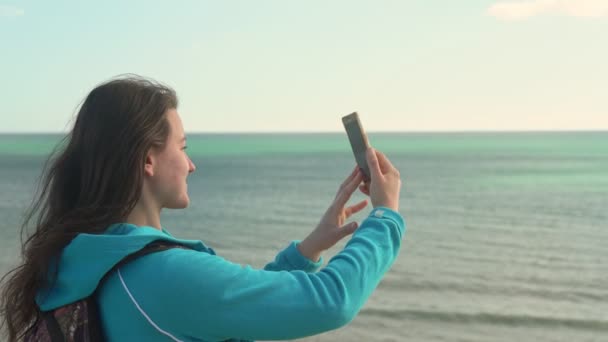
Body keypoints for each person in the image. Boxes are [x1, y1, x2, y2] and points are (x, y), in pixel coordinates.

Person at [0, 75, 405, 341]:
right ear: (147, 159)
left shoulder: (82, 262)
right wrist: (384, 217)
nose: (191, 164)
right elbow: (330, 301)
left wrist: (308, 250)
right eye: (183, 147)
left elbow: (220, 307)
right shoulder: (160, 274)